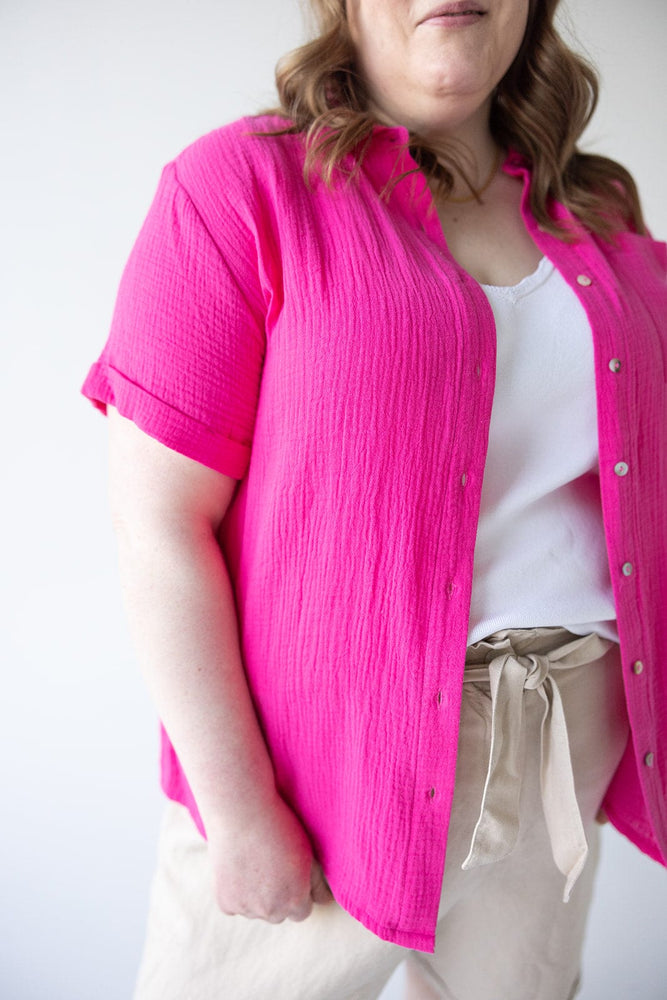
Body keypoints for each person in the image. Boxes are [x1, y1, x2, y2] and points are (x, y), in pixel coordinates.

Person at [81, 0, 667, 997]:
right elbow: (158, 523)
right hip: (316, 775)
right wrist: (235, 807)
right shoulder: (240, 188)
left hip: (557, 738)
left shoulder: (596, 208)